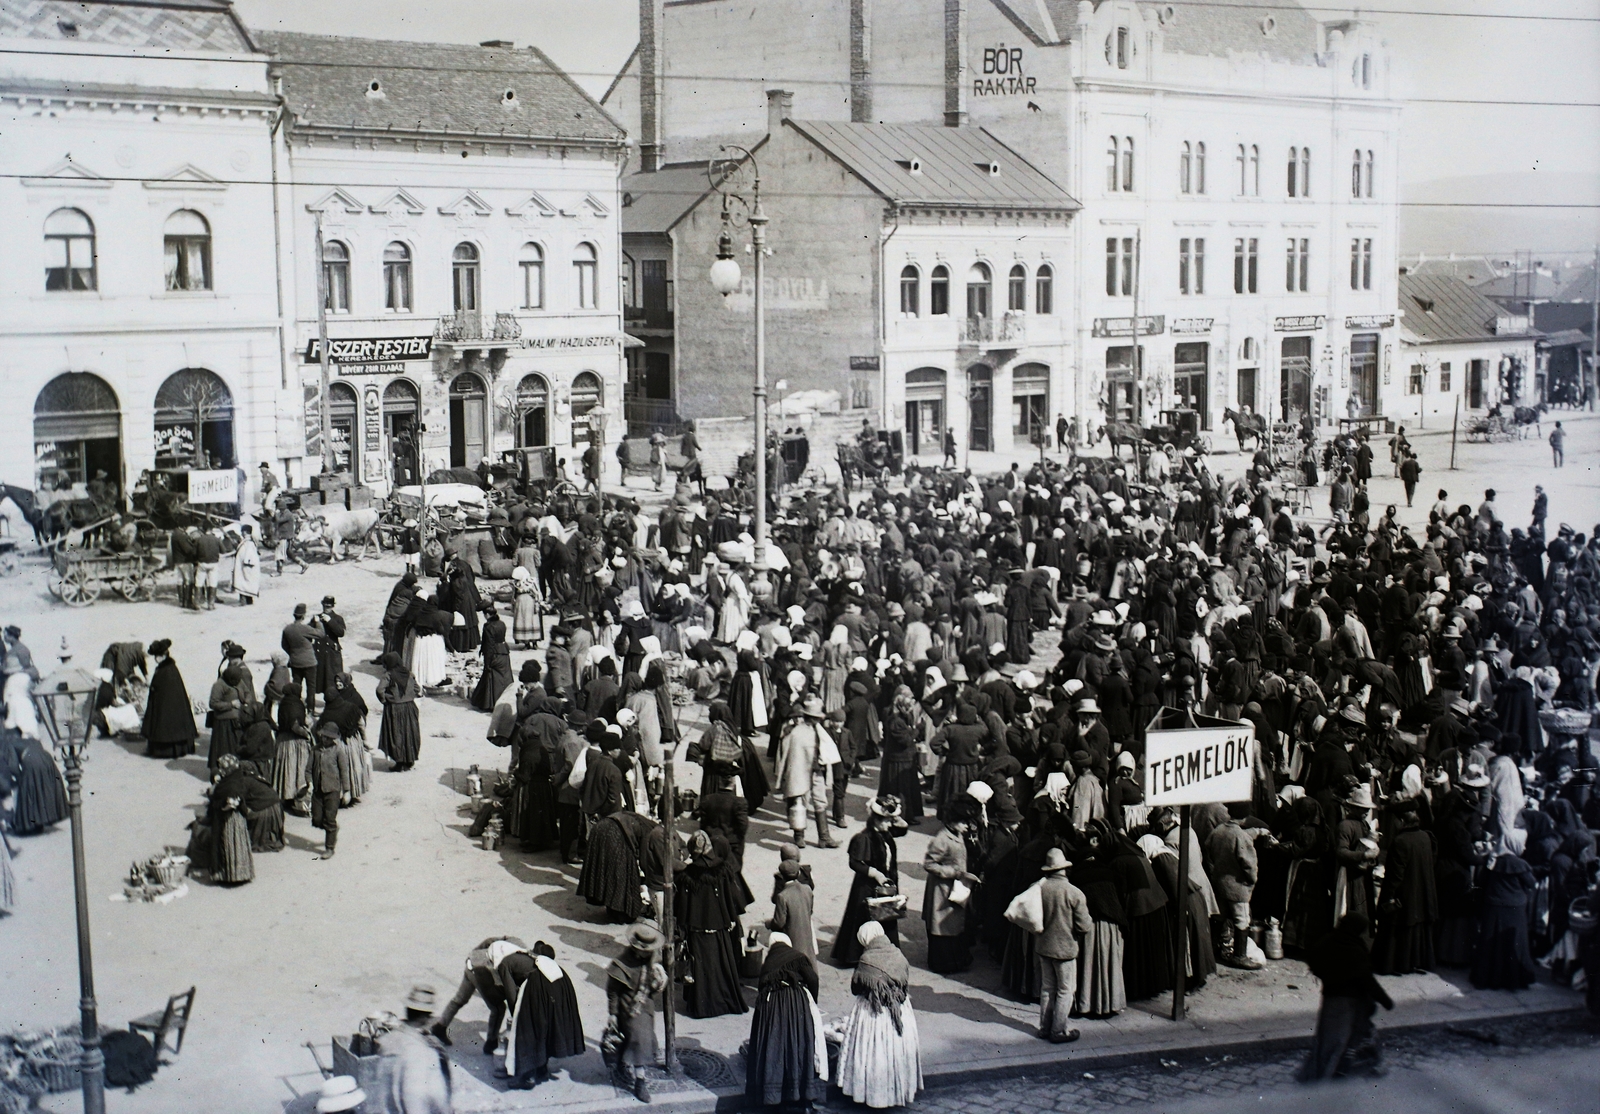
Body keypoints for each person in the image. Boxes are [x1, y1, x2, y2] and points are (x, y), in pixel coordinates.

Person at [834, 920, 922, 1108]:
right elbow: (904, 981)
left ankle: (871, 1094)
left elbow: (856, 988)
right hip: (899, 1009)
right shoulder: (898, 954)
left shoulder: (867, 961)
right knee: (895, 1052)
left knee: (873, 1053)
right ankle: (896, 1091)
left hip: (874, 1012)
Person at [1298, 914, 1394, 1082]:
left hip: (1331, 998)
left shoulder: (1328, 941)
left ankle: (1327, 1074)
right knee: (1338, 1042)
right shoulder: (1354, 949)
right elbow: (1368, 980)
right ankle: (1322, 1082)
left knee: (1328, 1041)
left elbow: (1313, 957)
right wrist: (1385, 1000)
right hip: (1349, 1004)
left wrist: (1327, 976)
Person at [744, 931, 824, 1110]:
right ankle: (800, 1093)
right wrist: (812, 1000)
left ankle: (774, 1096)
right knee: (798, 1044)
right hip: (796, 1004)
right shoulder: (798, 957)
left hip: (773, 1008)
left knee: (775, 1046)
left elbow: (761, 988)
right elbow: (813, 978)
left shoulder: (768, 962)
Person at [502, 941, 584, 1089]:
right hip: (555, 1014)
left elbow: (525, 1004)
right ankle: (542, 1069)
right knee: (547, 1037)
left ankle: (528, 1077)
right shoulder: (561, 972)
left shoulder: (534, 978)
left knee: (531, 1037)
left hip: (539, 1012)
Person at [833, 796, 903, 966]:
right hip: (867, 886)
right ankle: (855, 955)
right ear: (876, 821)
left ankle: (886, 951)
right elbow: (854, 862)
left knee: (886, 917)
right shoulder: (864, 837)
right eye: (886, 821)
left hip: (886, 885)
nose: (889, 825)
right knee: (863, 917)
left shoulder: (885, 834)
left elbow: (902, 828)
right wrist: (874, 873)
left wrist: (894, 814)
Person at [604, 923, 668, 1103]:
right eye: (644, 950)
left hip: (645, 1006)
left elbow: (654, 985)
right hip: (628, 1008)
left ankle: (622, 1062)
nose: (648, 953)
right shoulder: (621, 964)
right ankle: (640, 1081)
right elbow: (613, 992)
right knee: (639, 1040)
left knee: (639, 1038)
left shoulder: (651, 960)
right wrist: (613, 1014)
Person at [1035, 846, 1092, 1044]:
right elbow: (1084, 926)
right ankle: (1058, 1030)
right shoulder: (1074, 893)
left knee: (1047, 988)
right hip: (1065, 949)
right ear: (1065, 869)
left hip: (1043, 946)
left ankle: (1044, 1027)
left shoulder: (1039, 888)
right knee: (1065, 990)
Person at [922, 800, 979, 974]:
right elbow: (929, 864)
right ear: (952, 821)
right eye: (963, 822)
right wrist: (952, 872)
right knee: (943, 926)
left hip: (955, 887)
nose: (966, 826)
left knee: (953, 925)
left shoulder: (958, 834)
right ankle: (944, 963)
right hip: (942, 889)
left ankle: (956, 960)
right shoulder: (941, 840)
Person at [141, 639, 198, 759]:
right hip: (162, 704)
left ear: (164, 656)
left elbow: (166, 690)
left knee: (168, 726)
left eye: (158, 656)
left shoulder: (167, 670)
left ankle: (168, 750)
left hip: (166, 706)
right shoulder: (166, 668)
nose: (156, 659)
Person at [377, 653, 421, 772]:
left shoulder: (388, 675)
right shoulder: (408, 673)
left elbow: (379, 690)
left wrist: (385, 699)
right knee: (410, 733)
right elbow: (417, 689)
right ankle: (409, 760)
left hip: (395, 709)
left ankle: (400, 763)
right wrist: (410, 696)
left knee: (397, 734)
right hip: (410, 708)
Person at [308, 721, 345, 860]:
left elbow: (344, 771)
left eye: (328, 738)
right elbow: (308, 769)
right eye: (323, 736)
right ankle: (333, 830)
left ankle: (329, 848)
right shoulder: (315, 750)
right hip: (318, 790)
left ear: (333, 739)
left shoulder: (338, 751)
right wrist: (309, 782)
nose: (325, 739)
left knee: (329, 818)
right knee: (317, 819)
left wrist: (346, 791)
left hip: (333, 790)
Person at [471, 603, 513, 711]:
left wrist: (487, 663)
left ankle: (491, 703)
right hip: (504, 652)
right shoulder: (501, 624)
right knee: (505, 677)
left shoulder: (488, 627)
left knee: (492, 678)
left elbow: (489, 645)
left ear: (488, 614)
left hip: (494, 653)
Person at [282, 603, 321, 713]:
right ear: (303, 616)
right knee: (311, 687)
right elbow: (320, 634)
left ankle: (296, 707)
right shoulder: (305, 629)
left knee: (296, 685)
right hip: (309, 662)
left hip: (295, 662)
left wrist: (292, 653)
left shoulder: (287, 629)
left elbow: (284, 645)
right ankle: (310, 709)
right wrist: (317, 622)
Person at [233, 525, 261, 605]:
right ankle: (249, 599)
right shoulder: (249, 541)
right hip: (245, 565)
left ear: (245, 532)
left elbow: (249, 554)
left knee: (243, 582)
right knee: (248, 582)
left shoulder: (248, 543)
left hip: (246, 566)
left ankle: (243, 600)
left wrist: (247, 562)